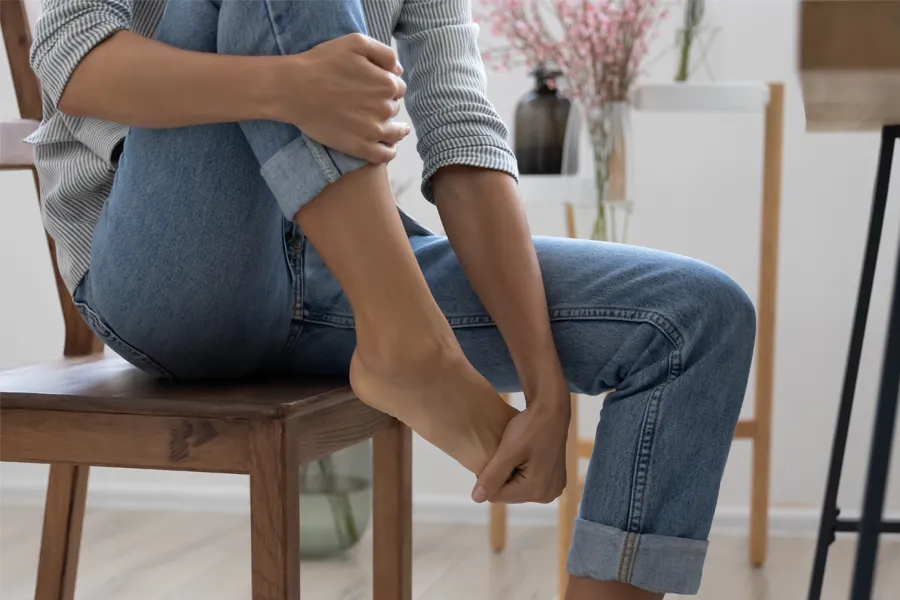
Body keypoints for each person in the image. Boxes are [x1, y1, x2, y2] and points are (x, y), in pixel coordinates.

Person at [27, 0, 756, 597]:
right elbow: (73, 60)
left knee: (694, 318)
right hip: (175, 271)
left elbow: (463, 138)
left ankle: (401, 334)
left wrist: (545, 386)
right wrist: (285, 85)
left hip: (346, 266)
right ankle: (410, 345)